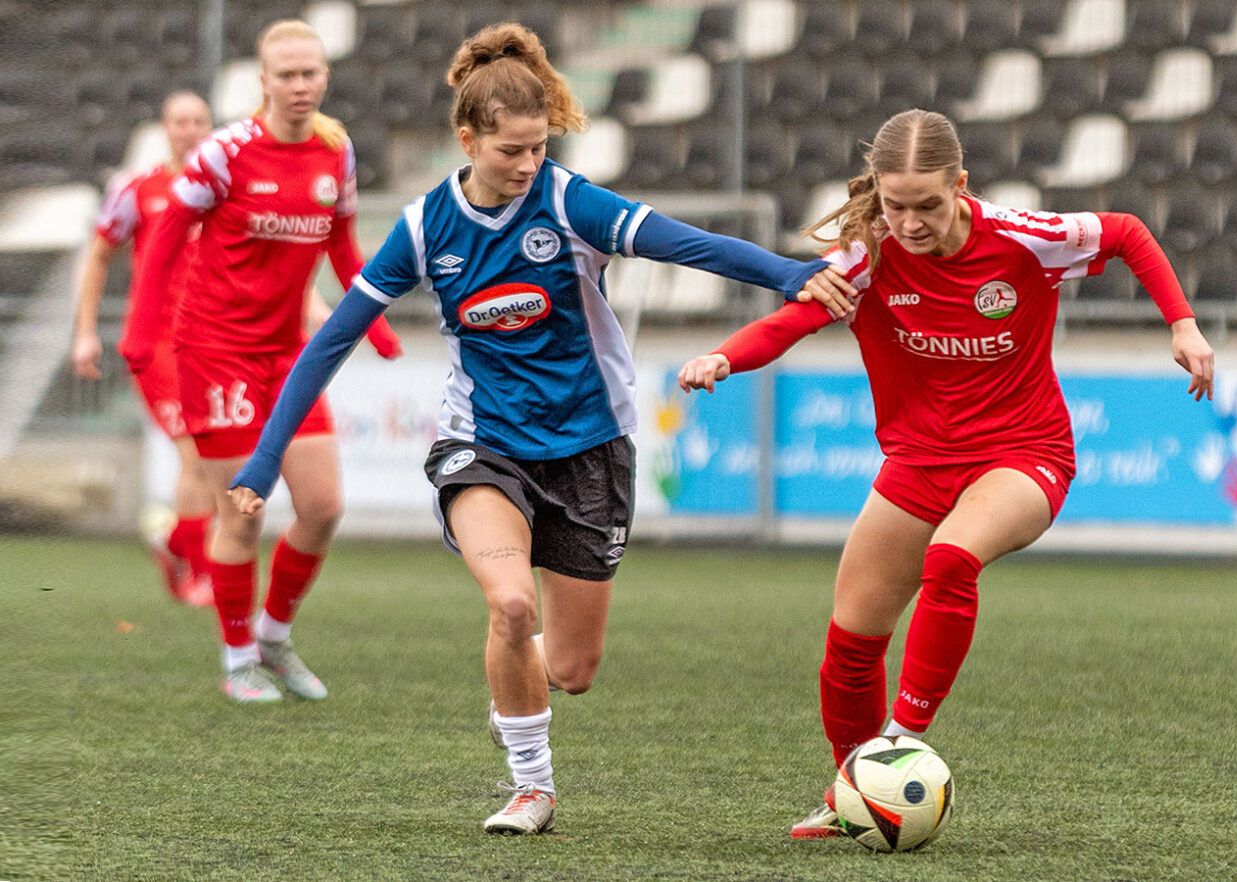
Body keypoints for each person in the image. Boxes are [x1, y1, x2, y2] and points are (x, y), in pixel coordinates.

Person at [226, 22, 855, 835]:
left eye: (538, 147)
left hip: (591, 448)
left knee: (572, 668)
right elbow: (331, 341)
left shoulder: (569, 202)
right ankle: (533, 786)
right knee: (511, 604)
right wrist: (265, 461)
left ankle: (514, 700)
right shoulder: (426, 229)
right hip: (482, 447)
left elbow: (685, 245)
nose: (527, 165)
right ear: (467, 139)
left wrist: (787, 273)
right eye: (510, 151)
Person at [676, 108, 1216, 839]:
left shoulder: (1023, 239)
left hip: (1025, 454)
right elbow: (793, 319)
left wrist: (1180, 322)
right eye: (894, 205)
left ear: (960, 185)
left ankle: (899, 745)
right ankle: (853, 794)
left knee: (952, 558)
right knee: (851, 642)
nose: (909, 221)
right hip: (917, 464)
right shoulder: (866, 257)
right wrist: (724, 357)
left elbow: (1123, 232)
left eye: (927, 204)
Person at [123, 19, 403, 705]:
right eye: (287, 75)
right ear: (264, 82)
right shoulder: (226, 153)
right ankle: (237, 656)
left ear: (325, 76)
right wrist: (139, 330)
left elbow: (342, 244)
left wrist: (379, 324)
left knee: (323, 505)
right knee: (243, 511)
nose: (301, 85)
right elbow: (165, 237)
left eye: (311, 73)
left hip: (287, 355)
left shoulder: (336, 153)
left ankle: (275, 636)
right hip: (215, 350)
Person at [72, 90, 215, 606]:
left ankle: (173, 542)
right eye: (180, 120)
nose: (190, 128)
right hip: (156, 346)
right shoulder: (138, 189)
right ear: (165, 127)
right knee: (197, 456)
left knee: (217, 461)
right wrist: (85, 331)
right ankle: (200, 572)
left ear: (210, 126)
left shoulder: (224, 191)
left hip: (212, 343)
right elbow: (98, 257)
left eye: (199, 120)